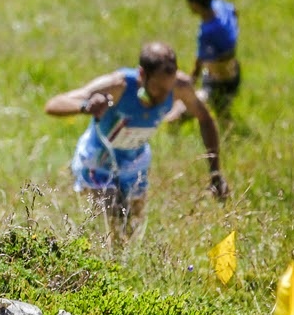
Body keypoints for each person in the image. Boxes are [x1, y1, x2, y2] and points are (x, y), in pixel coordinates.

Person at [44, 41, 228, 246]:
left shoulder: (180, 87)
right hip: (98, 161)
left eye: (167, 89)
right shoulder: (119, 86)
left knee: (132, 232)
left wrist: (215, 173)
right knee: (113, 227)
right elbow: (54, 104)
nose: (162, 97)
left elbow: (205, 119)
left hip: (135, 163)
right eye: (157, 87)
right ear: (142, 74)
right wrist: (85, 106)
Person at [166, 0, 241, 123]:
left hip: (219, 82)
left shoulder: (209, 32)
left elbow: (199, 62)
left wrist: (190, 82)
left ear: (194, 5)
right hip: (234, 70)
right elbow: (235, 11)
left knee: (180, 114)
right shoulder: (220, 6)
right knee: (221, 112)